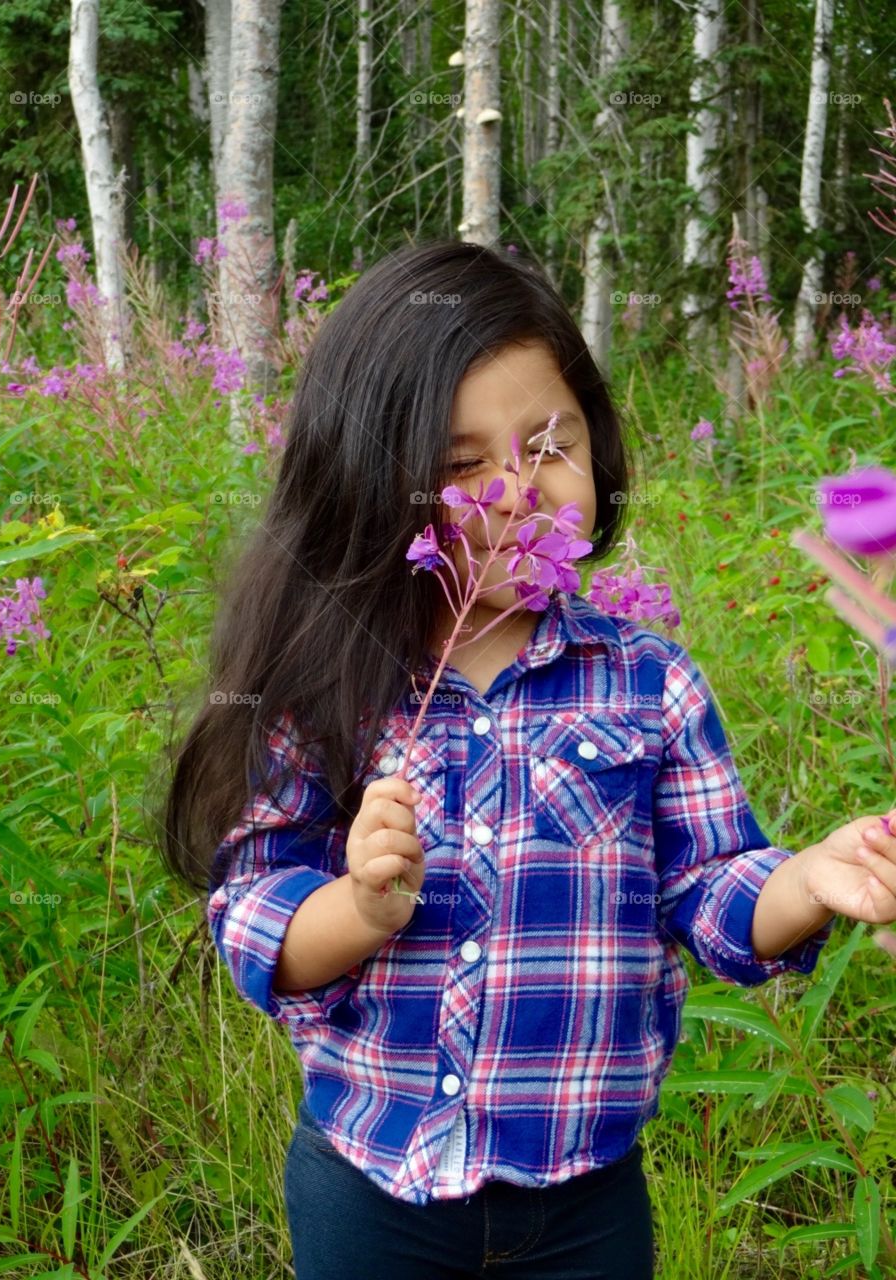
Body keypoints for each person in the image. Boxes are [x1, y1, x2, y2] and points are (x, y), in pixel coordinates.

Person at [162, 239, 896, 1280]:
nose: (512, 490)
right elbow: (253, 910)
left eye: (549, 445)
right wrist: (361, 907)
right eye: (460, 468)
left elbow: (713, 889)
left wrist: (805, 878)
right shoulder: (327, 682)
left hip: (584, 1199)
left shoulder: (648, 683)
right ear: (370, 484)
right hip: (375, 1185)